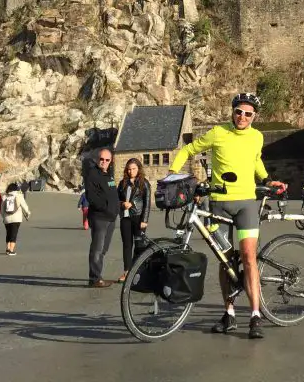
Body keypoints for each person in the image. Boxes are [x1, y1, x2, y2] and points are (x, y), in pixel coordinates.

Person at [168, 93, 287, 340]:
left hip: (246, 204)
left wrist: (266, 179)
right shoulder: (218, 133)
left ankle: (255, 315)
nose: (242, 117)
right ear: (232, 112)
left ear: (254, 117)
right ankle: (229, 313)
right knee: (225, 260)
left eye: (248, 114)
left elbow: (256, 160)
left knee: (248, 257)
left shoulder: (257, 136)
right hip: (219, 204)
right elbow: (189, 149)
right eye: (238, 112)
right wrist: (172, 173)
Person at [84, 149, 118, 287]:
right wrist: (106, 207)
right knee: (97, 249)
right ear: (98, 159)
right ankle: (94, 279)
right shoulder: (93, 174)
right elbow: (91, 197)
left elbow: (112, 194)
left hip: (111, 218)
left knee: (103, 249)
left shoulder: (108, 175)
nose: (104, 162)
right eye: (101, 159)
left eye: (107, 160)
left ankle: (98, 276)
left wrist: (117, 207)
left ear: (111, 161)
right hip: (100, 218)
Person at [117, 158, 151, 282]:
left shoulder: (144, 183)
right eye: (129, 169)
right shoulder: (122, 183)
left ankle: (138, 273)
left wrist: (145, 220)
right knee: (127, 245)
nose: (131, 171)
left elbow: (147, 203)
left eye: (134, 169)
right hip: (125, 218)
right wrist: (122, 204)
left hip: (138, 217)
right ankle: (127, 272)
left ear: (138, 169)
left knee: (139, 245)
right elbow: (117, 199)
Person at [1, 182, 31, 256]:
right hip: (16, 218)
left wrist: (4, 217)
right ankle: (11, 250)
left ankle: (8, 249)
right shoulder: (19, 195)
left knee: (8, 233)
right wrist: (28, 213)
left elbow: (2, 209)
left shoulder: (4, 197)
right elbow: (24, 206)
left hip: (7, 219)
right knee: (14, 234)